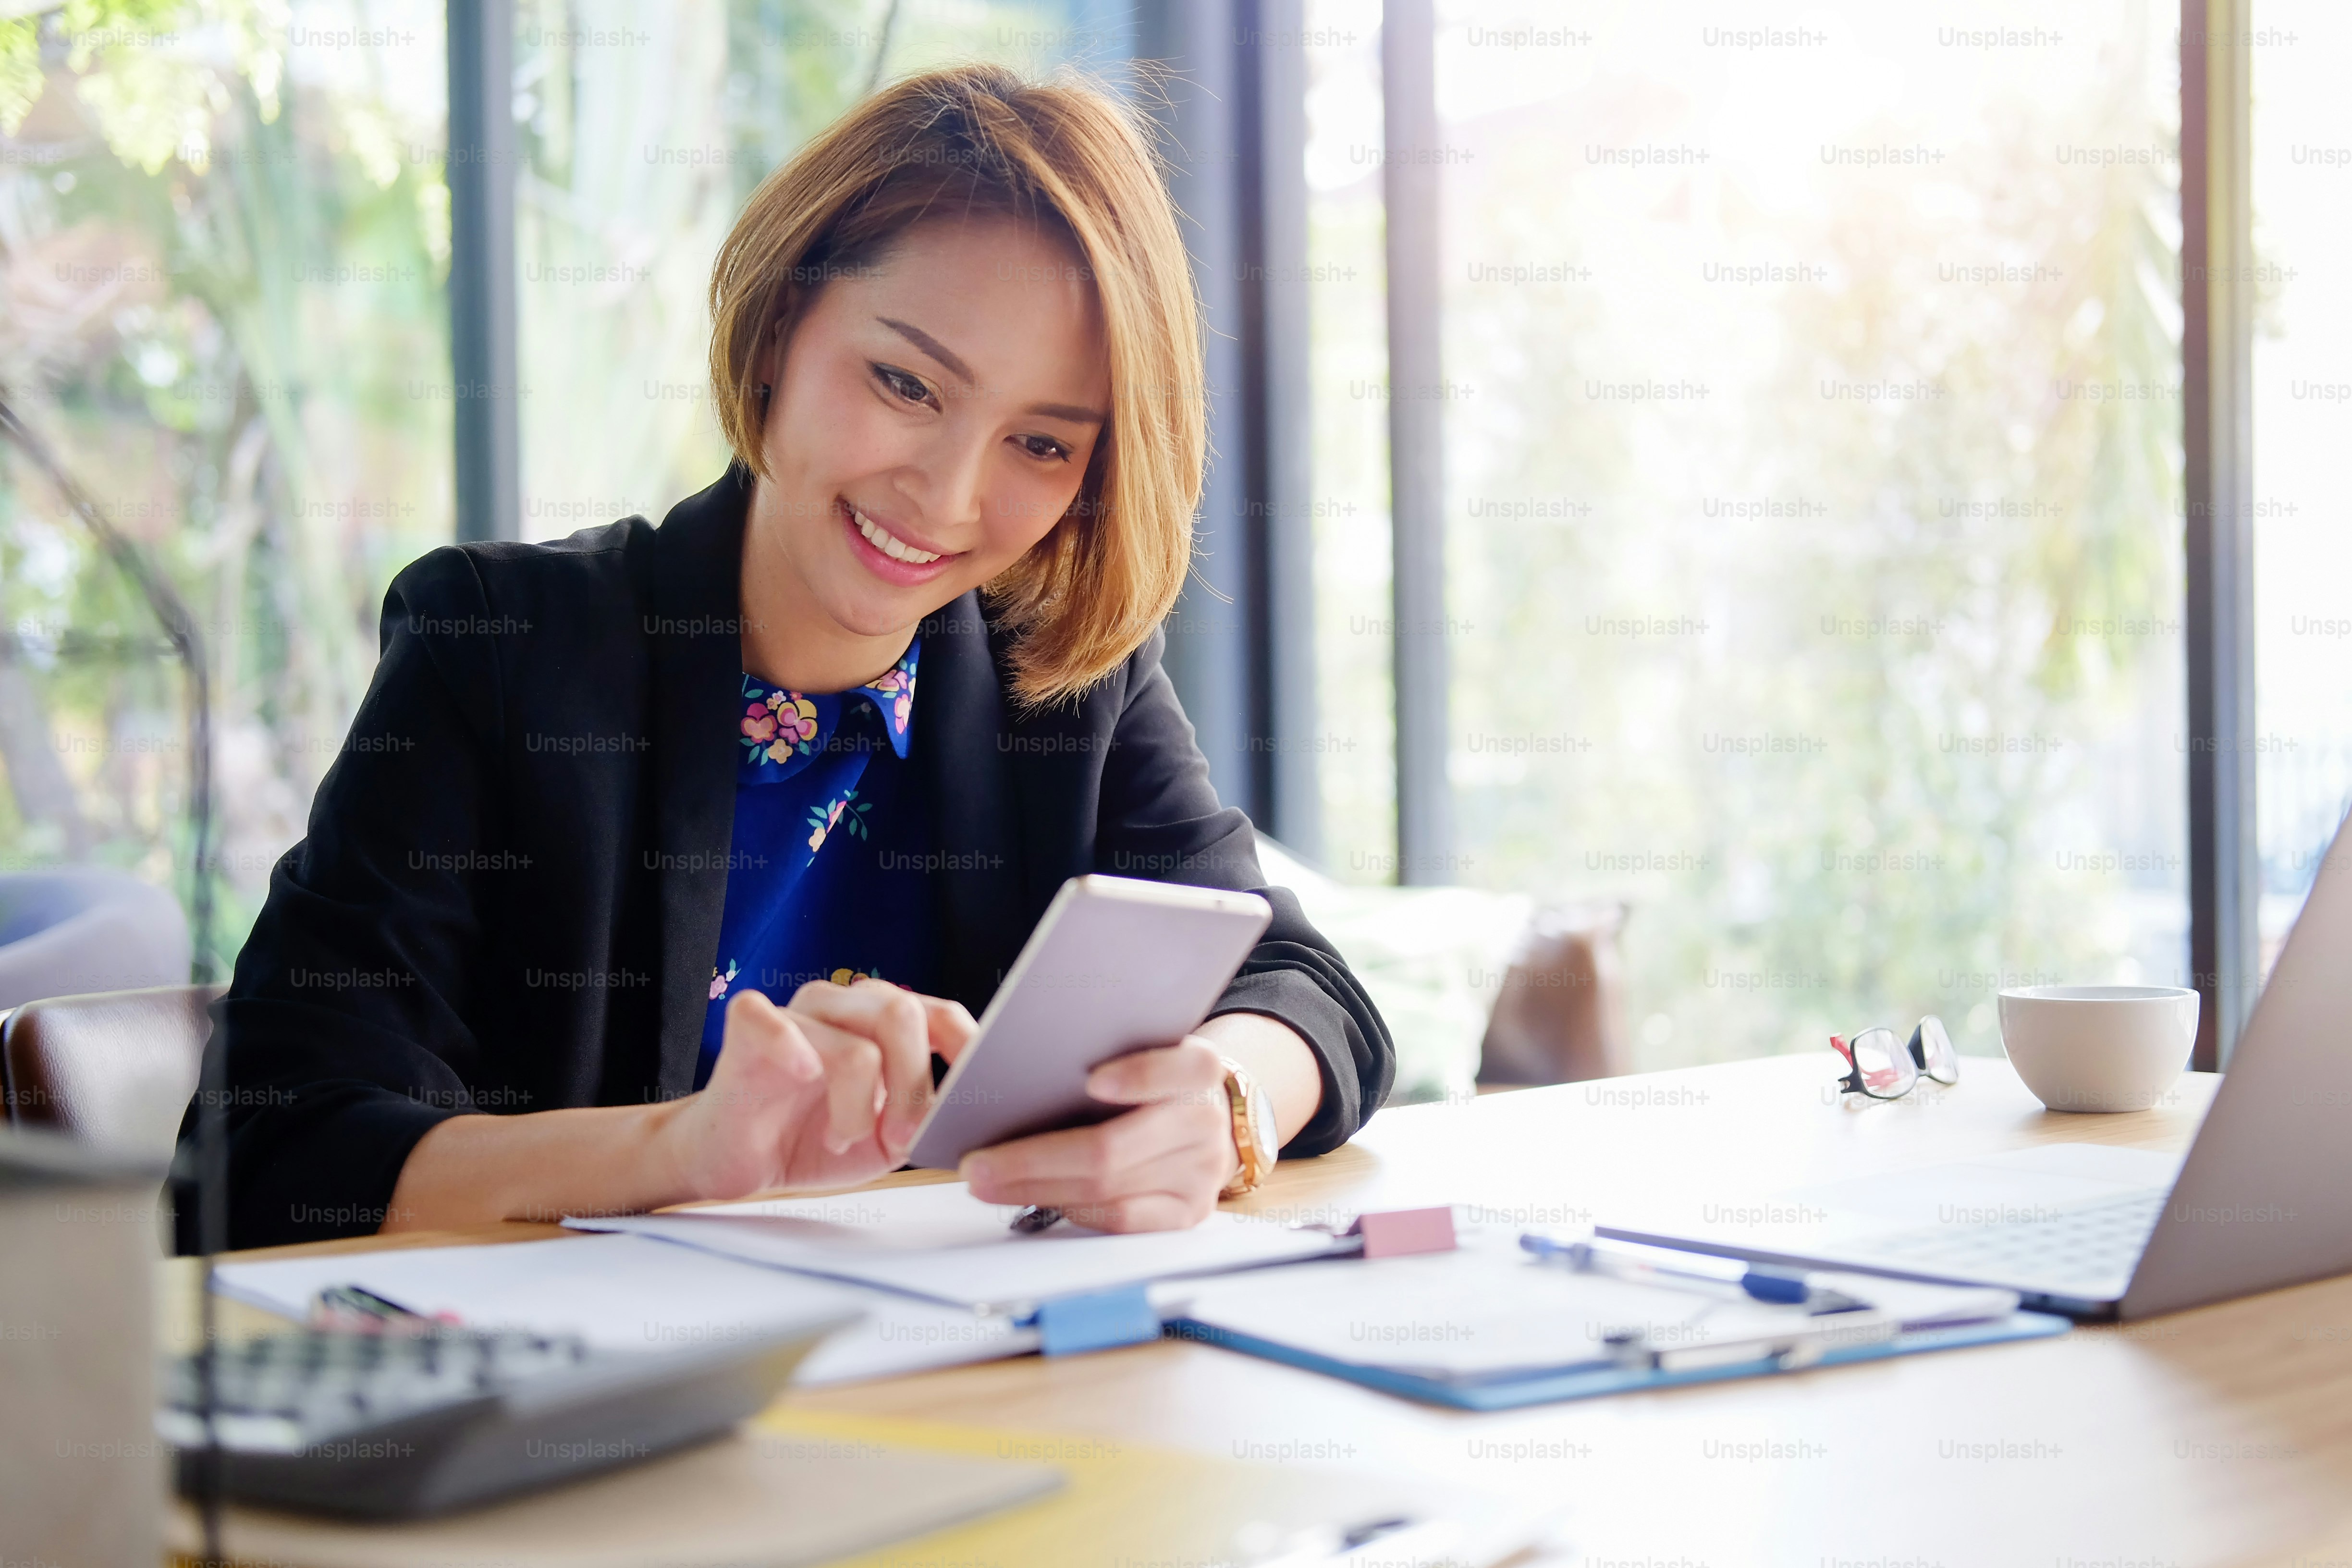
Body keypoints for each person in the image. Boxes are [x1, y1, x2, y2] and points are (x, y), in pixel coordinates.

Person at [175, 64, 1393, 1252]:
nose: (948, 497)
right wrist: (685, 1151)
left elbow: (1300, 983)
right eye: (906, 383)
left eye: (1039, 443)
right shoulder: (499, 647)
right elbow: (273, 1151)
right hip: (603, 1417)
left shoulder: (1058, 680)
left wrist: (1225, 1101)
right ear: (779, 331)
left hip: (966, 1393)